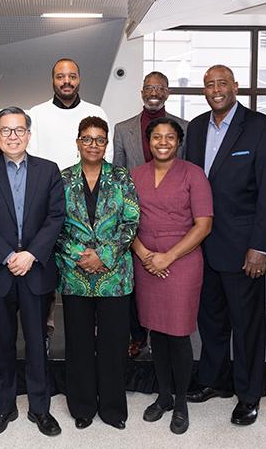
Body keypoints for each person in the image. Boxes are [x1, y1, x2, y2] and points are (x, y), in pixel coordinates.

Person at [183, 65, 266, 426]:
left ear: (235, 87)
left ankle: (248, 393)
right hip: (202, 246)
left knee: (247, 325)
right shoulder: (195, 128)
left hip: (244, 248)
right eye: (209, 84)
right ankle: (214, 380)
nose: (216, 89)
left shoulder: (262, 129)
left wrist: (260, 246)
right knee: (210, 321)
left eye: (222, 83)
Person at [0, 107, 65, 437]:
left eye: (19, 130)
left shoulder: (49, 171)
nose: (13, 136)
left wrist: (31, 255)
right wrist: (9, 256)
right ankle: (4, 407)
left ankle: (40, 409)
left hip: (36, 271)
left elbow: (56, 218)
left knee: (37, 345)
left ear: (28, 134)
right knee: (3, 345)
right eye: (6, 131)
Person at [57, 116, 139, 430]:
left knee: (114, 344)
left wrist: (103, 255)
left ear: (106, 143)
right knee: (78, 344)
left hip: (114, 276)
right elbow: (53, 224)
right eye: (87, 138)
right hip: (75, 276)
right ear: (78, 142)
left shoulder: (122, 177)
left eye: (99, 139)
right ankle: (82, 407)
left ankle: (113, 408)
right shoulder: (63, 179)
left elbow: (131, 222)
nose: (93, 144)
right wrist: (80, 256)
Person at [131, 117, 213, 435]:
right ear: (148, 142)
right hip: (145, 260)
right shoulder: (135, 175)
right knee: (155, 332)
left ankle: (180, 402)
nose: (162, 142)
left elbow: (204, 224)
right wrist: (143, 253)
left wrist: (168, 256)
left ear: (178, 142)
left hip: (182, 261)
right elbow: (126, 221)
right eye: (156, 137)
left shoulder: (193, 174)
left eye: (169, 137)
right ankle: (163, 396)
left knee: (178, 334)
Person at [28, 58, 111, 349]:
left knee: (89, 264)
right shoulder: (36, 114)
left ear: (79, 79)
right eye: (60, 76)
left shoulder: (95, 111)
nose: (66, 81)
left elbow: (103, 155)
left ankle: (97, 333)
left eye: (72, 76)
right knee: (48, 274)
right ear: (52, 80)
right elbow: (32, 163)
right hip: (48, 203)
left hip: (90, 204)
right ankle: (45, 334)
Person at [113, 70, 187, 359]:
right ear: (141, 92)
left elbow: (188, 173)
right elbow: (118, 175)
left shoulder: (184, 127)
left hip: (171, 221)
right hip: (134, 219)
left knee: (166, 280)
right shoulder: (123, 128)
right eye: (148, 87)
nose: (153, 91)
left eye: (160, 87)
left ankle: (163, 334)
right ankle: (137, 335)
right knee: (134, 282)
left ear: (167, 92)